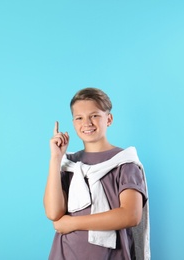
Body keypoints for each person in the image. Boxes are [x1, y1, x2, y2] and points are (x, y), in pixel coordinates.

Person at [43, 87, 150, 260]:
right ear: (73, 123)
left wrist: (72, 223)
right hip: (65, 254)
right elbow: (54, 213)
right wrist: (56, 159)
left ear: (109, 119)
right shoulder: (70, 165)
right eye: (79, 117)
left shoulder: (124, 162)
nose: (87, 123)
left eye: (94, 115)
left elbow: (131, 215)